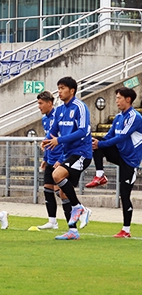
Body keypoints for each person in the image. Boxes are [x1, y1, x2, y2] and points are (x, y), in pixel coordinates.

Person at [43, 76, 93, 240]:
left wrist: (59, 140)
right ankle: (72, 231)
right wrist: (48, 139)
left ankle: (80, 208)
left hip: (82, 153)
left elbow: (83, 131)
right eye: (58, 88)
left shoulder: (80, 107)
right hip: (68, 154)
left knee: (56, 175)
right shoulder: (59, 110)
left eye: (63, 88)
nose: (59, 91)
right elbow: (54, 130)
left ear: (72, 90)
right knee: (64, 194)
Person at [91, 88, 142, 238]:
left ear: (128, 99)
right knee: (97, 141)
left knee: (124, 195)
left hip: (130, 160)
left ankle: (126, 230)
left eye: (119, 98)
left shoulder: (135, 117)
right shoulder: (119, 117)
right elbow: (108, 136)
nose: (116, 101)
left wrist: (100, 145)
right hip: (120, 154)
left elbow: (121, 137)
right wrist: (96, 143)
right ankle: (100, 175)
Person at [35, 91, 72, 230]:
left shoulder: (59, 116)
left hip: (60, 160)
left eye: (41, 103)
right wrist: (45, 158)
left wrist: (62, 159)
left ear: (49, 103)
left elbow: (64, 140)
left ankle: (72, 221)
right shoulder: (45, 119)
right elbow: (48, 140)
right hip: (50, 159)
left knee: (61, 192)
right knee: (47, 190)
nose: (39, 106)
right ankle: (52, 222)